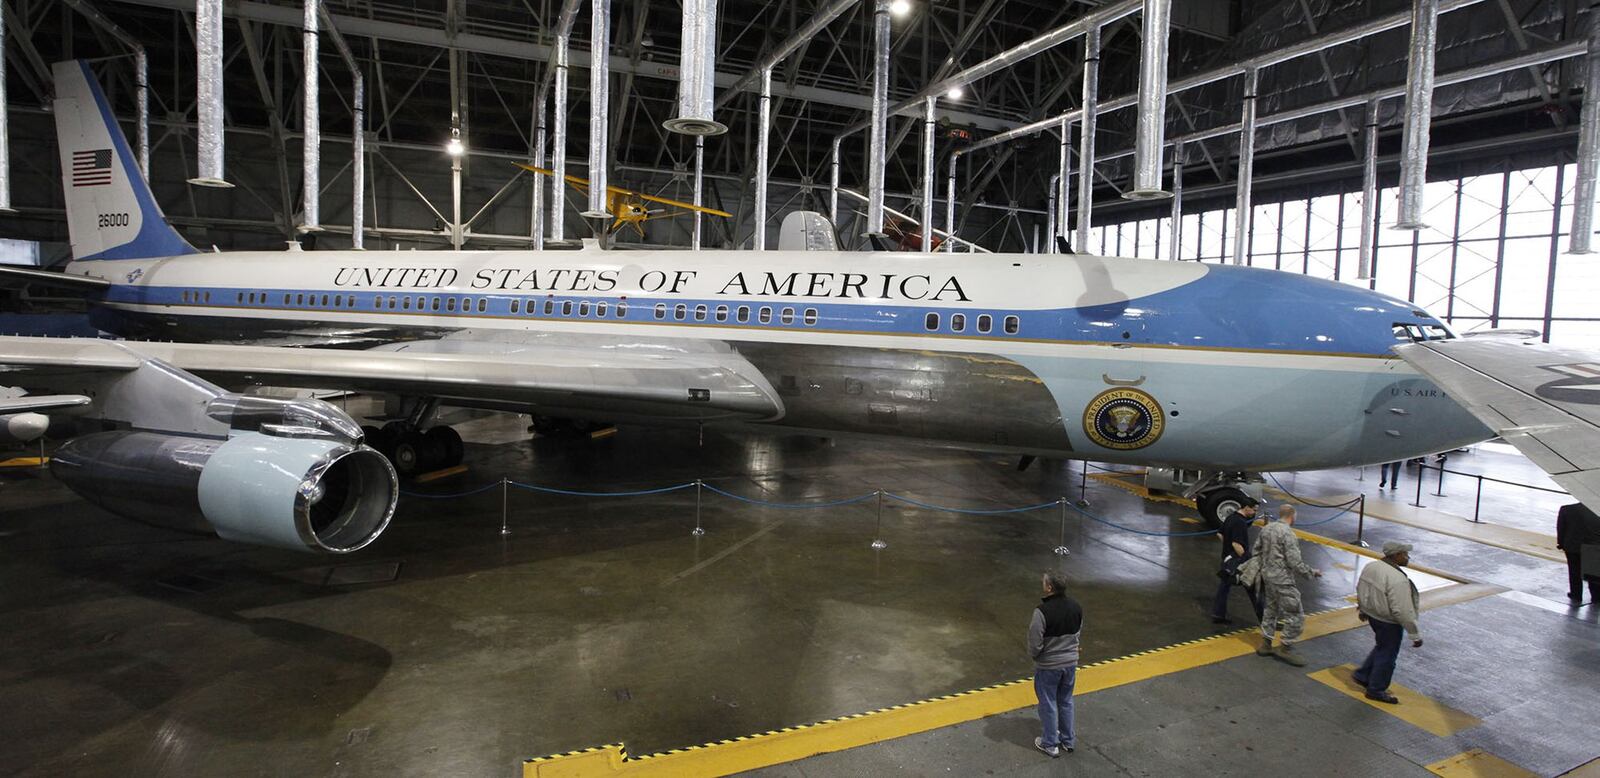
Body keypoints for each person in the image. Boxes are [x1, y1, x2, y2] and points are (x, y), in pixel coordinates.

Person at [1353, 541, 1423, 704]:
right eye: (1405, 554)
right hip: (1388, 621)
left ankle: (1363, 675)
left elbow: (1361, 588)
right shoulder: (1397, 579)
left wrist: (1363, 608)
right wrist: (1414, 634)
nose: (1407, 557)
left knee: (1382, 646)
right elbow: (1402, 609)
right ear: (1396, 555)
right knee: (1388, 654)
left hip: (1373, 615)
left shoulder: (1371, 566)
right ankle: (1376, 689)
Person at [1253, 504, 1322, 667]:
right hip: (1283, 580)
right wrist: (1311, 573)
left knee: (1270, 609)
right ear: (1292, 516)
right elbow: (1294, 561)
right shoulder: (1288, 534)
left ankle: (1266, 644)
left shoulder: (1267, 529)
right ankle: (1285, 647)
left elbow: (1256, 550)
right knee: (1295, 613)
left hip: (1267, 577)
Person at [1027, 569, 1083, 758]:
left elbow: (1035, 643)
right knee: (1066, 700)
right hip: (1070, 664)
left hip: (1049, 666)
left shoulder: (1041, 612)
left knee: (1048, 702)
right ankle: (1068, 740)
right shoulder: (1076, 607)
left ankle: (1050, 743)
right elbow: (1076, 635)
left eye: (1044, 582)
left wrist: (1036, 657)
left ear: (1049, 587)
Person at [1211, 496, 1263, 624]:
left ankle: (1218, 614)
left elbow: (1220, 533)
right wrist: (1246, 559)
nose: (1255, 513)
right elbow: (1237, 544)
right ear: (1246, 508)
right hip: (1239, 562)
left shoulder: (1231, 517)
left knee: (1224, 587)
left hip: (1227, 559)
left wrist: (1227, 549)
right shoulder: (1240, 523)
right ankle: (1265, 619)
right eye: (1254, 510)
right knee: (1253, 588)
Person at [1557, 502, 1600, 604]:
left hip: (1572, 546)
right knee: (1593, 573)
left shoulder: (1566, 509)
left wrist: (1561, 543)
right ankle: (1596, 597)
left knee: (1574, 571)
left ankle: (1576, 594)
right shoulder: (1597, 511)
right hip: (1593, 546)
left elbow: (1561, 529)